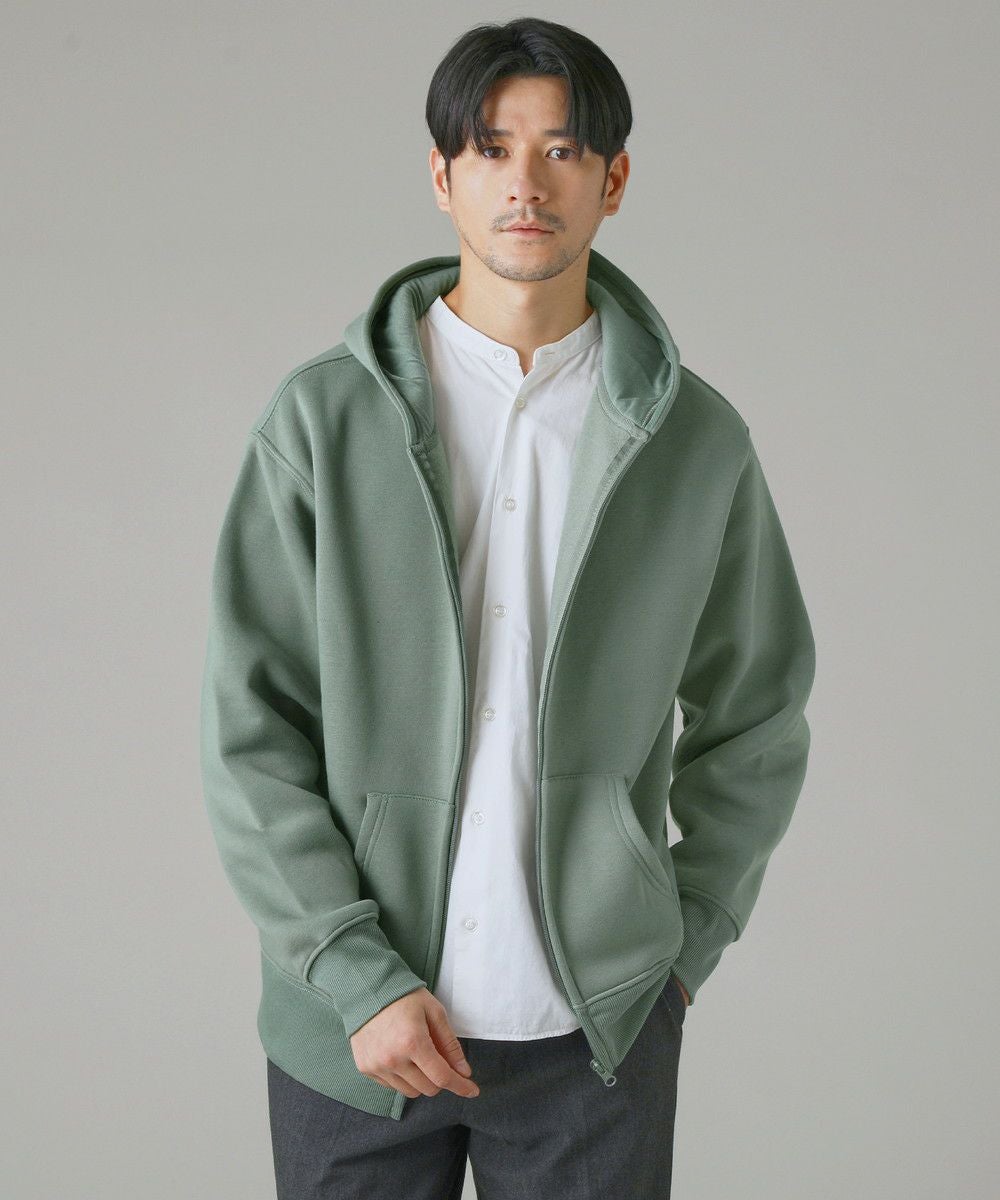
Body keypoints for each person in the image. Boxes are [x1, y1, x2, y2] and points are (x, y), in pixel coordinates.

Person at [199, 16, 816, 1198]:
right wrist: (351, 974)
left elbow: (758, 713)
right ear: (442, 177)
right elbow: (250, 729)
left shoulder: (694, 442)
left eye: (562, 150)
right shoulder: (320, 422)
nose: (525, 183)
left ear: (612, 181)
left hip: (595, 1032)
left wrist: (681, 945)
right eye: (490, 149)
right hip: (354, 1035)